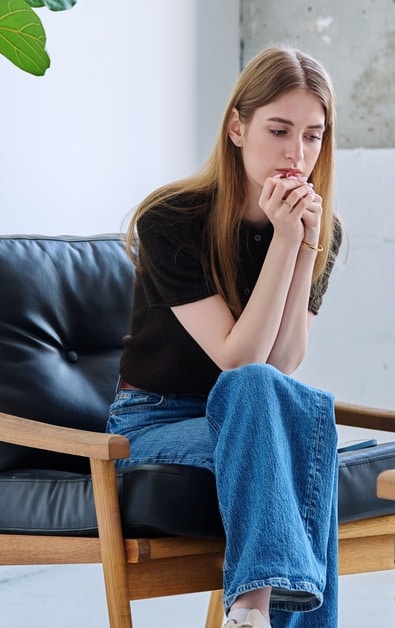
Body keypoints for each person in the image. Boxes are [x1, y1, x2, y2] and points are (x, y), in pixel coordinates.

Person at [109, 46, 344, 628]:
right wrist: (287, 244)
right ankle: (252, 608)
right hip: (153, 423)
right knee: (279, 406)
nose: (297, 153)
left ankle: (250, 612)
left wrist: (302, 241)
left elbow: (283, 360)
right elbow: (238, 361)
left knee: (291, 403)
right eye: (279, 129)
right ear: (237, 127)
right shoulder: (170, 219)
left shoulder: (323, 228)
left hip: (248, 414)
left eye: (313, 136)